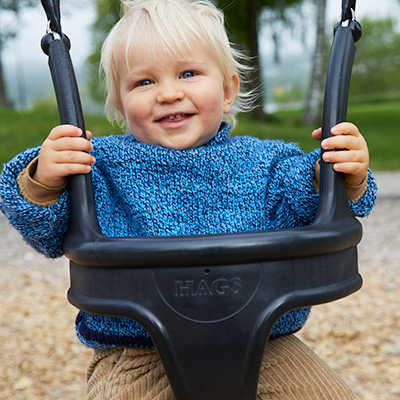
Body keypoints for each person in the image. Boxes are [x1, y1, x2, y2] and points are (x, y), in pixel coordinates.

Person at [0, 0, 377, 398]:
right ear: (119, 105)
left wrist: (340, 173)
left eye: (188, 73)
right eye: (144, 82)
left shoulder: (268, 162)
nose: (168, 93)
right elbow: (46, 230)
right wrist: (45, 178)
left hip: (267, 343)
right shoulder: (97, 166)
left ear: (228, 91)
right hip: (135, 355)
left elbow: (319, 200)